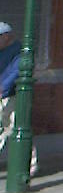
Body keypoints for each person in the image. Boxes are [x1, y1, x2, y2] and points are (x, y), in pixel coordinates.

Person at [0, 22, 37, 175]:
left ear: (6, 36)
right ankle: (31, 164)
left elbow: (15, 72)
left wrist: (3, 88)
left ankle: (30, 164)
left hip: (13, 96)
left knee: (18, 127)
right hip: (6, 95)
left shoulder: (20, 51)